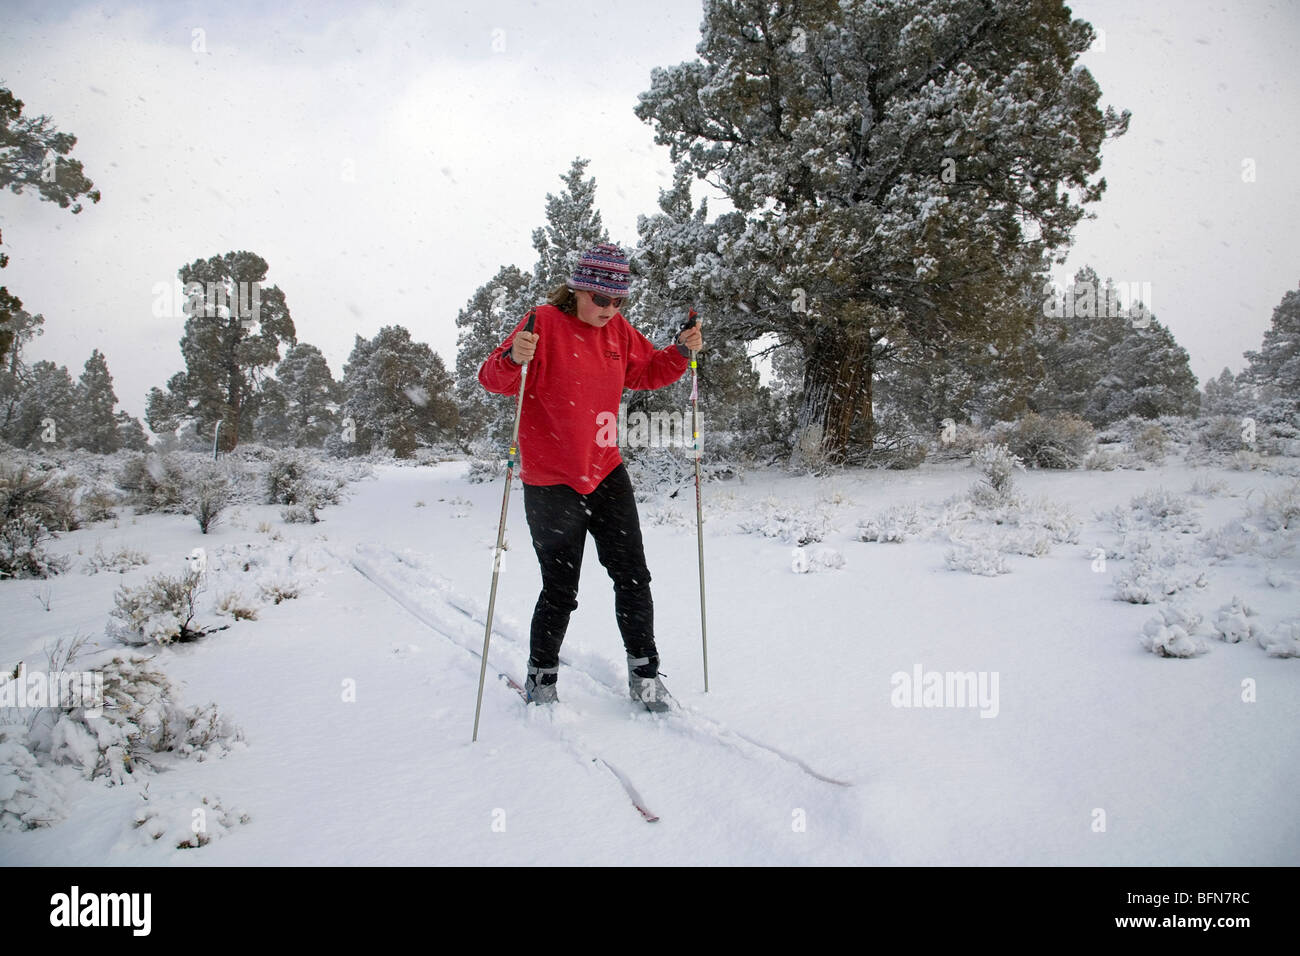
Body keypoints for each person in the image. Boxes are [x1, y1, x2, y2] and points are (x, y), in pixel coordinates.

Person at [478, 243, 704, 709]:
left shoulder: (617, 330)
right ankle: (541, 680)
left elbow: (647, 372)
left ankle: (646, 676)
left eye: (619, 301)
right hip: (551, 481)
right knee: (561, 589)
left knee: (633, 577)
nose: (609, 309)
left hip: (606, 473)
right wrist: (514, 359)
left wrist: (681, 352)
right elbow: (492, 380)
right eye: (601, 299)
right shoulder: (542, 321)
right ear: (579, 289)